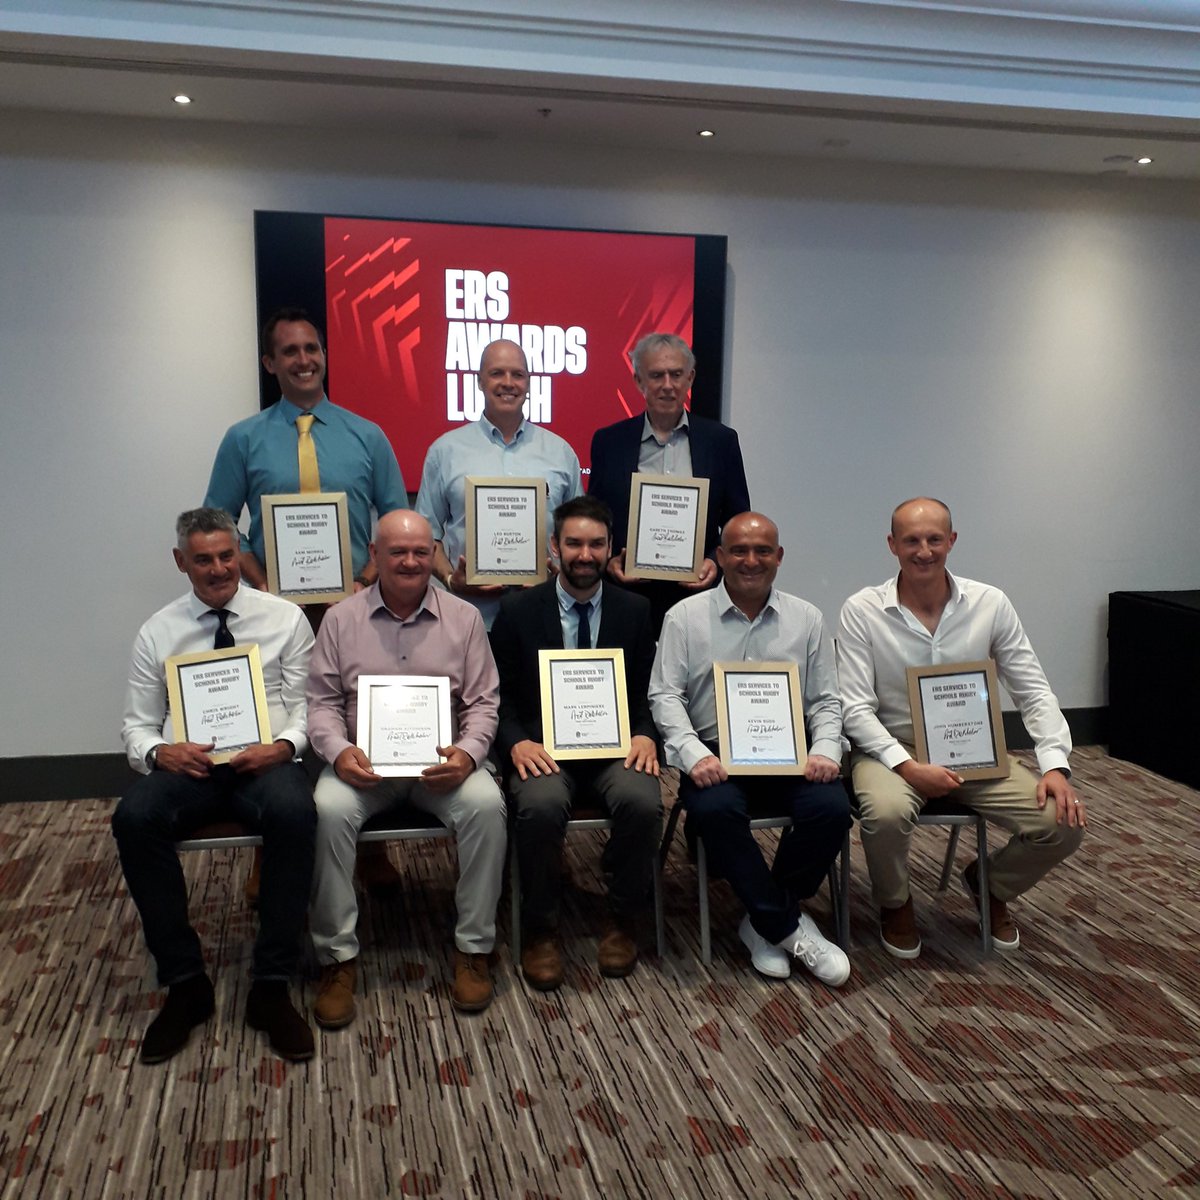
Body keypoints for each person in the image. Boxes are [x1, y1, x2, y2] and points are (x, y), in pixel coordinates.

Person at [203, 307, 409, 893]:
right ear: (270, 364)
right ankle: (272, 849)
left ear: (324, 355)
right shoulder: (244, 437)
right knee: (279, 721)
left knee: (358, 714)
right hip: (273, 610)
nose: (304, 360)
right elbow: (220, 520)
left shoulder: (367, 434)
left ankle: (371, 851)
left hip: (356, 606)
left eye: (312, 348)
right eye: (289, 351)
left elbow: (396, 516)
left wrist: (368, 577)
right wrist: (258, 579)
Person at [837, 497, 1086, 959]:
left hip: (975, 747)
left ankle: (990, 884)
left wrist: (1055, 766)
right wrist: (908, 766)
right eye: (911, 540)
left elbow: (1033, 690)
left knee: (1061, 823)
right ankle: (895, 902)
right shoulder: (862, 610)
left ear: (952, 541)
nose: (924, 551)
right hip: (891, 749)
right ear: (892, 545)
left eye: (935, 539)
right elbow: (854, 709)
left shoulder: (990, 603)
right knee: (885, 812)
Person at [112, 508, 316, 1063]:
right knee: (133, 818)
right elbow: (136, 725)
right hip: (190, 771)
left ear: (238, 554)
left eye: (227, 555)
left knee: (297, 813)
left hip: (266, 763)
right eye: (203, 559)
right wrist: (160, 751)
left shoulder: (285, 619)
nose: (219, 568)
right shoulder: (158, 631)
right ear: (182, 562)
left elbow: (307, 710)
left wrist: (285, 746)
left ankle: (272, 986)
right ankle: (185, 983)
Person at [305, 510, 506, 1023]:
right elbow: (322, 703)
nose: (411, 561)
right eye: (398, 551)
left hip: (442, 772)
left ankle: (474, 948)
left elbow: (484, 703)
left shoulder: (464, 619)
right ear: (374, 557)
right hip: (363, 772)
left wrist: (468, 753)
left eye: (421, 551)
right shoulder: (340, 619)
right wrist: (337, 751)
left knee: (486, 804)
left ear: (433, 555)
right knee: (327, 808)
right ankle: (337, 957)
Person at [649, 512, 851, 987]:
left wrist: (825, 749)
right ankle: (787, 926)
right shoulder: (684, 617)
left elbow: (826, 699)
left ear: (779, 558)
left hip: (791, 753)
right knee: (714, 811)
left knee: (832, 807)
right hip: (715, 758)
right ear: (720, 557)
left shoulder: (807, 618)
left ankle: (763, 920)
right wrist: (693, 754)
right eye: (738, 550)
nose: (751, 560)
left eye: (763, 551)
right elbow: (665, 696)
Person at [491, 496, 662, 990]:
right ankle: (541, 929)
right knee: (540, 808)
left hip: (615, 748)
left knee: (643, 802)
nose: (584, 554)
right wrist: (516, 742)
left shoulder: (635, 609)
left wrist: (647, 734)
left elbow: (650, 688)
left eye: (595, 543)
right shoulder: (519, 610)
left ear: (612, 549)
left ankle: (621, 918)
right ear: (554, 547)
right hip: (543, 750)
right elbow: (497, 695)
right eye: (573, 543)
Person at [588, 332, 750, 635]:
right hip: (626, 598)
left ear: (690, 378)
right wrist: (609, 560)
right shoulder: (609, 441)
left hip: (698, 598)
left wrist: (716, 562)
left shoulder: (721, 442)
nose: (667, 385)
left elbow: (737, 521)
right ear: (639, 381)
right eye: (656, 375)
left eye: (676, 374)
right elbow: (596, 518)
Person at [416, 338, 583, 629]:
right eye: (497, 373)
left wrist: (559, 574)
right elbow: (427, 536)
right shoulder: (445, 451)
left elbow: (578, 532)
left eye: (517, 374)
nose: (508, 383)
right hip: (468, 618)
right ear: (480, 381)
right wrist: (450, 579)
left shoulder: (561, 453)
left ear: (529, 383)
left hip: (544, 617)